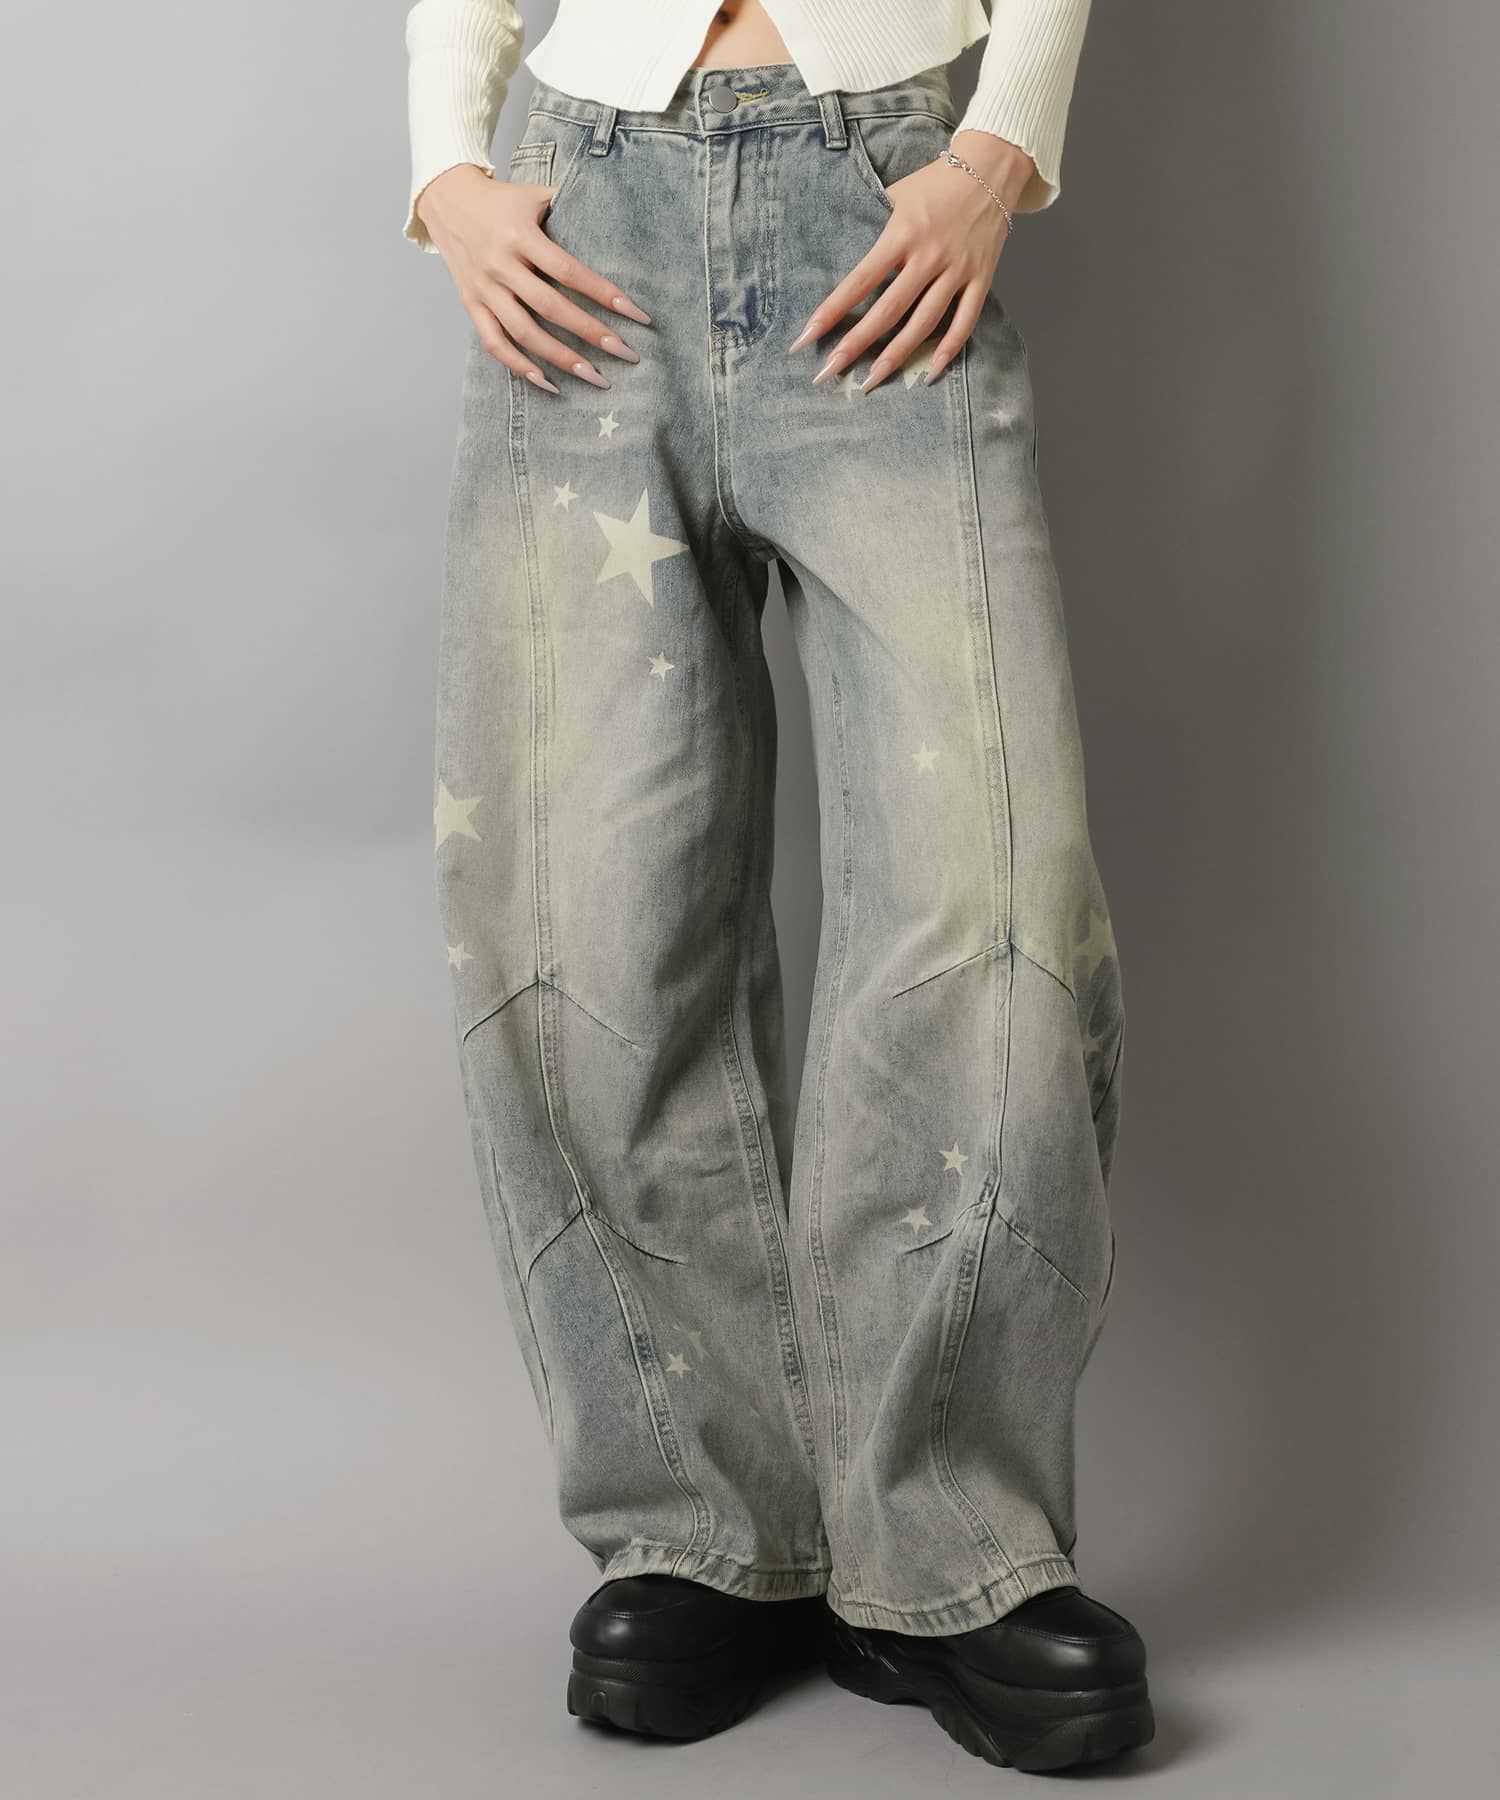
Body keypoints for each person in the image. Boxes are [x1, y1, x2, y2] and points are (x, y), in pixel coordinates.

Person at [403, 0, 1151, 1774]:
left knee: (994, 894)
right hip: (587, 230)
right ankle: (697, 1529)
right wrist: (448, 173)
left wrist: (998, 151)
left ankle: (949, 1550)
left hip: (881, 204)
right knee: (586, 914)